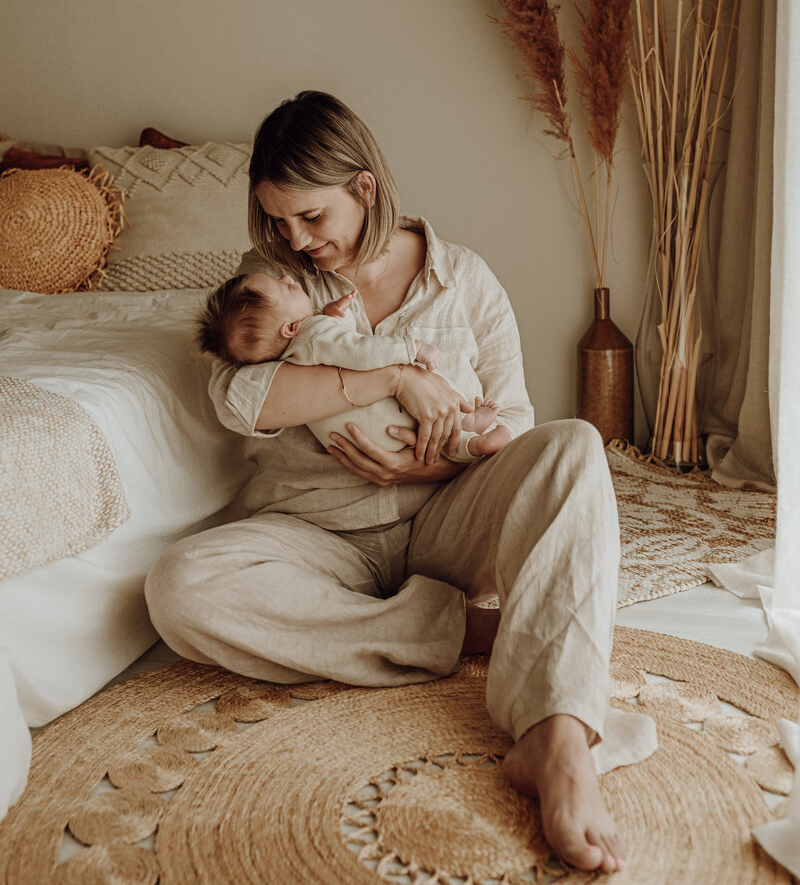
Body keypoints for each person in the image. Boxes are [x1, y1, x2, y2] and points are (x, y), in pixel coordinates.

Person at [145, 90, 632, 874]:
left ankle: (557, 738)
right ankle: (471, 634)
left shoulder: (463, 279)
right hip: (316, 535)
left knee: (573, 446)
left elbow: (514, 419)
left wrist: (430, 464)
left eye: (310, 218)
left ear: (364, 189)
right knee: (180, 587)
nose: (293, 239)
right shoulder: (270, 282)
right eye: (276, 221)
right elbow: (242, 399)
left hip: (447, 526)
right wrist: (394, 380)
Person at [195, 270, 511, 461]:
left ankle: (468, 432)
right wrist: (411, 350)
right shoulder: (313, 335)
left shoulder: (292, 348)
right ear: (291, 329)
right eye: (287, 288)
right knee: (430, 431)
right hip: (378, 427)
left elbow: (325, 347)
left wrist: (331, 317)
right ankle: (471, 441)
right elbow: (359, 351)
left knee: (429, 427)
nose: (289, 278)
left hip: (359, 434)